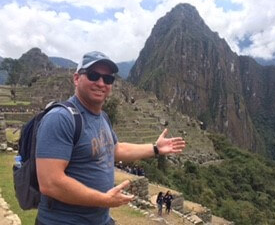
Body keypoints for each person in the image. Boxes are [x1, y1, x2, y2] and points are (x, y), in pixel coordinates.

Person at [35, 51, 186, 225]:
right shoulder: (61, 118)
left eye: (108, 79)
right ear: (76, 78)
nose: (101, 83)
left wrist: (155, 149)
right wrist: (104, 200)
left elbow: (115, 149)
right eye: (93, 75)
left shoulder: (102, 117)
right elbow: (50, 183)